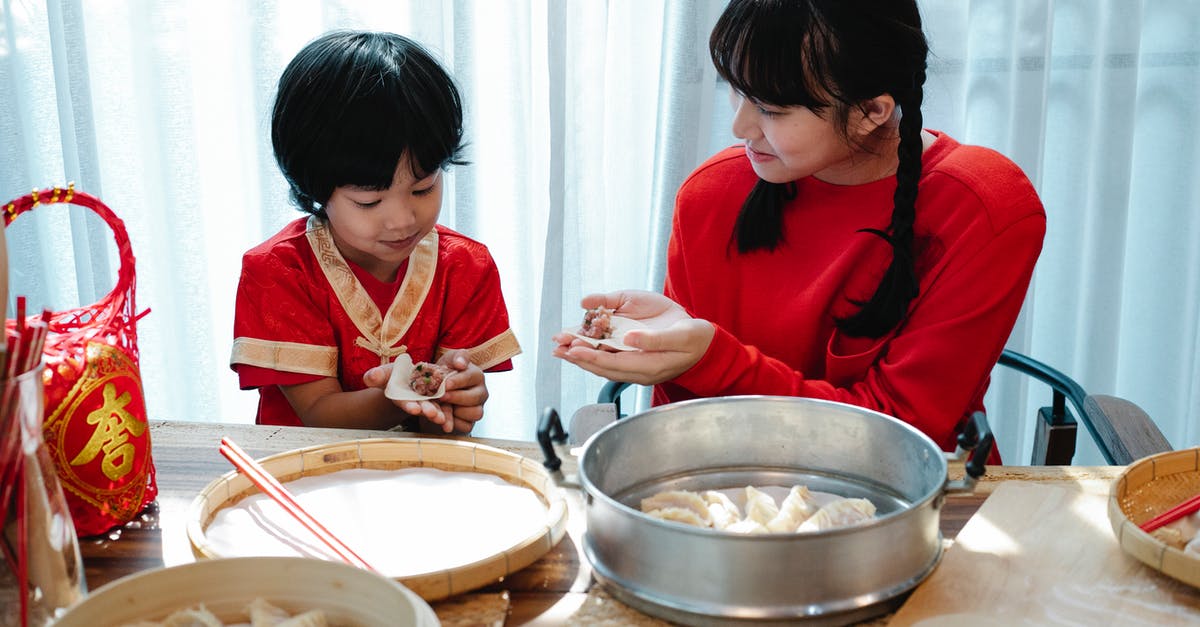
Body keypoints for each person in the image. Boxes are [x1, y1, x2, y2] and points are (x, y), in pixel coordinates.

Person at [552, 0, 1045, 455]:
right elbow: (685, 423)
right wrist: (669, 350)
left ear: (871, 110)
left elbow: (903, 434)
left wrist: (711, 361)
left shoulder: (983, 207)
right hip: (721, 492)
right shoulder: (710, 195)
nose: (740, 128)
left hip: (903, 504)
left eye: (771, 108)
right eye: (736, 90)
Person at [231, 30, 521, 433]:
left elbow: (442, 430)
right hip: (302, 475)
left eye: (423, 188)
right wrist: (406, 396)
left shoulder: (465, 267)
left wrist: (458, 400)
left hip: (419, 479)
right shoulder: (280, 271)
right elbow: (319, 414)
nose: (402, 220)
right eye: (368, 202)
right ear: (314, 187)